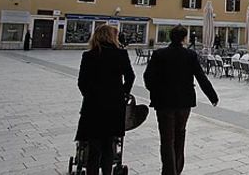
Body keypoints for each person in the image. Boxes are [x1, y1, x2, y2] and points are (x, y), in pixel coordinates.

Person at [145, 26, 219, 175]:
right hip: (184, 102)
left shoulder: (159, 54)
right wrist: (212, 96)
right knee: (180, 135)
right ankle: (177, 170)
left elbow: (148, 77)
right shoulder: (190, 55)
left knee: (167, 139)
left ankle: (169, 171)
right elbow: (201, 77)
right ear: (184, 39)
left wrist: (156, 92)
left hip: (164, 102)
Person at [75, 25, 135, 175]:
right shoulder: (121, 54)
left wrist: (89, 95)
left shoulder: (89, 55)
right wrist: (124, 93)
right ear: (111, 37)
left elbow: (82, 82)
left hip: (93, 105)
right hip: (114, 104)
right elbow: (130, 76)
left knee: (94, 147)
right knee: (109, 145)